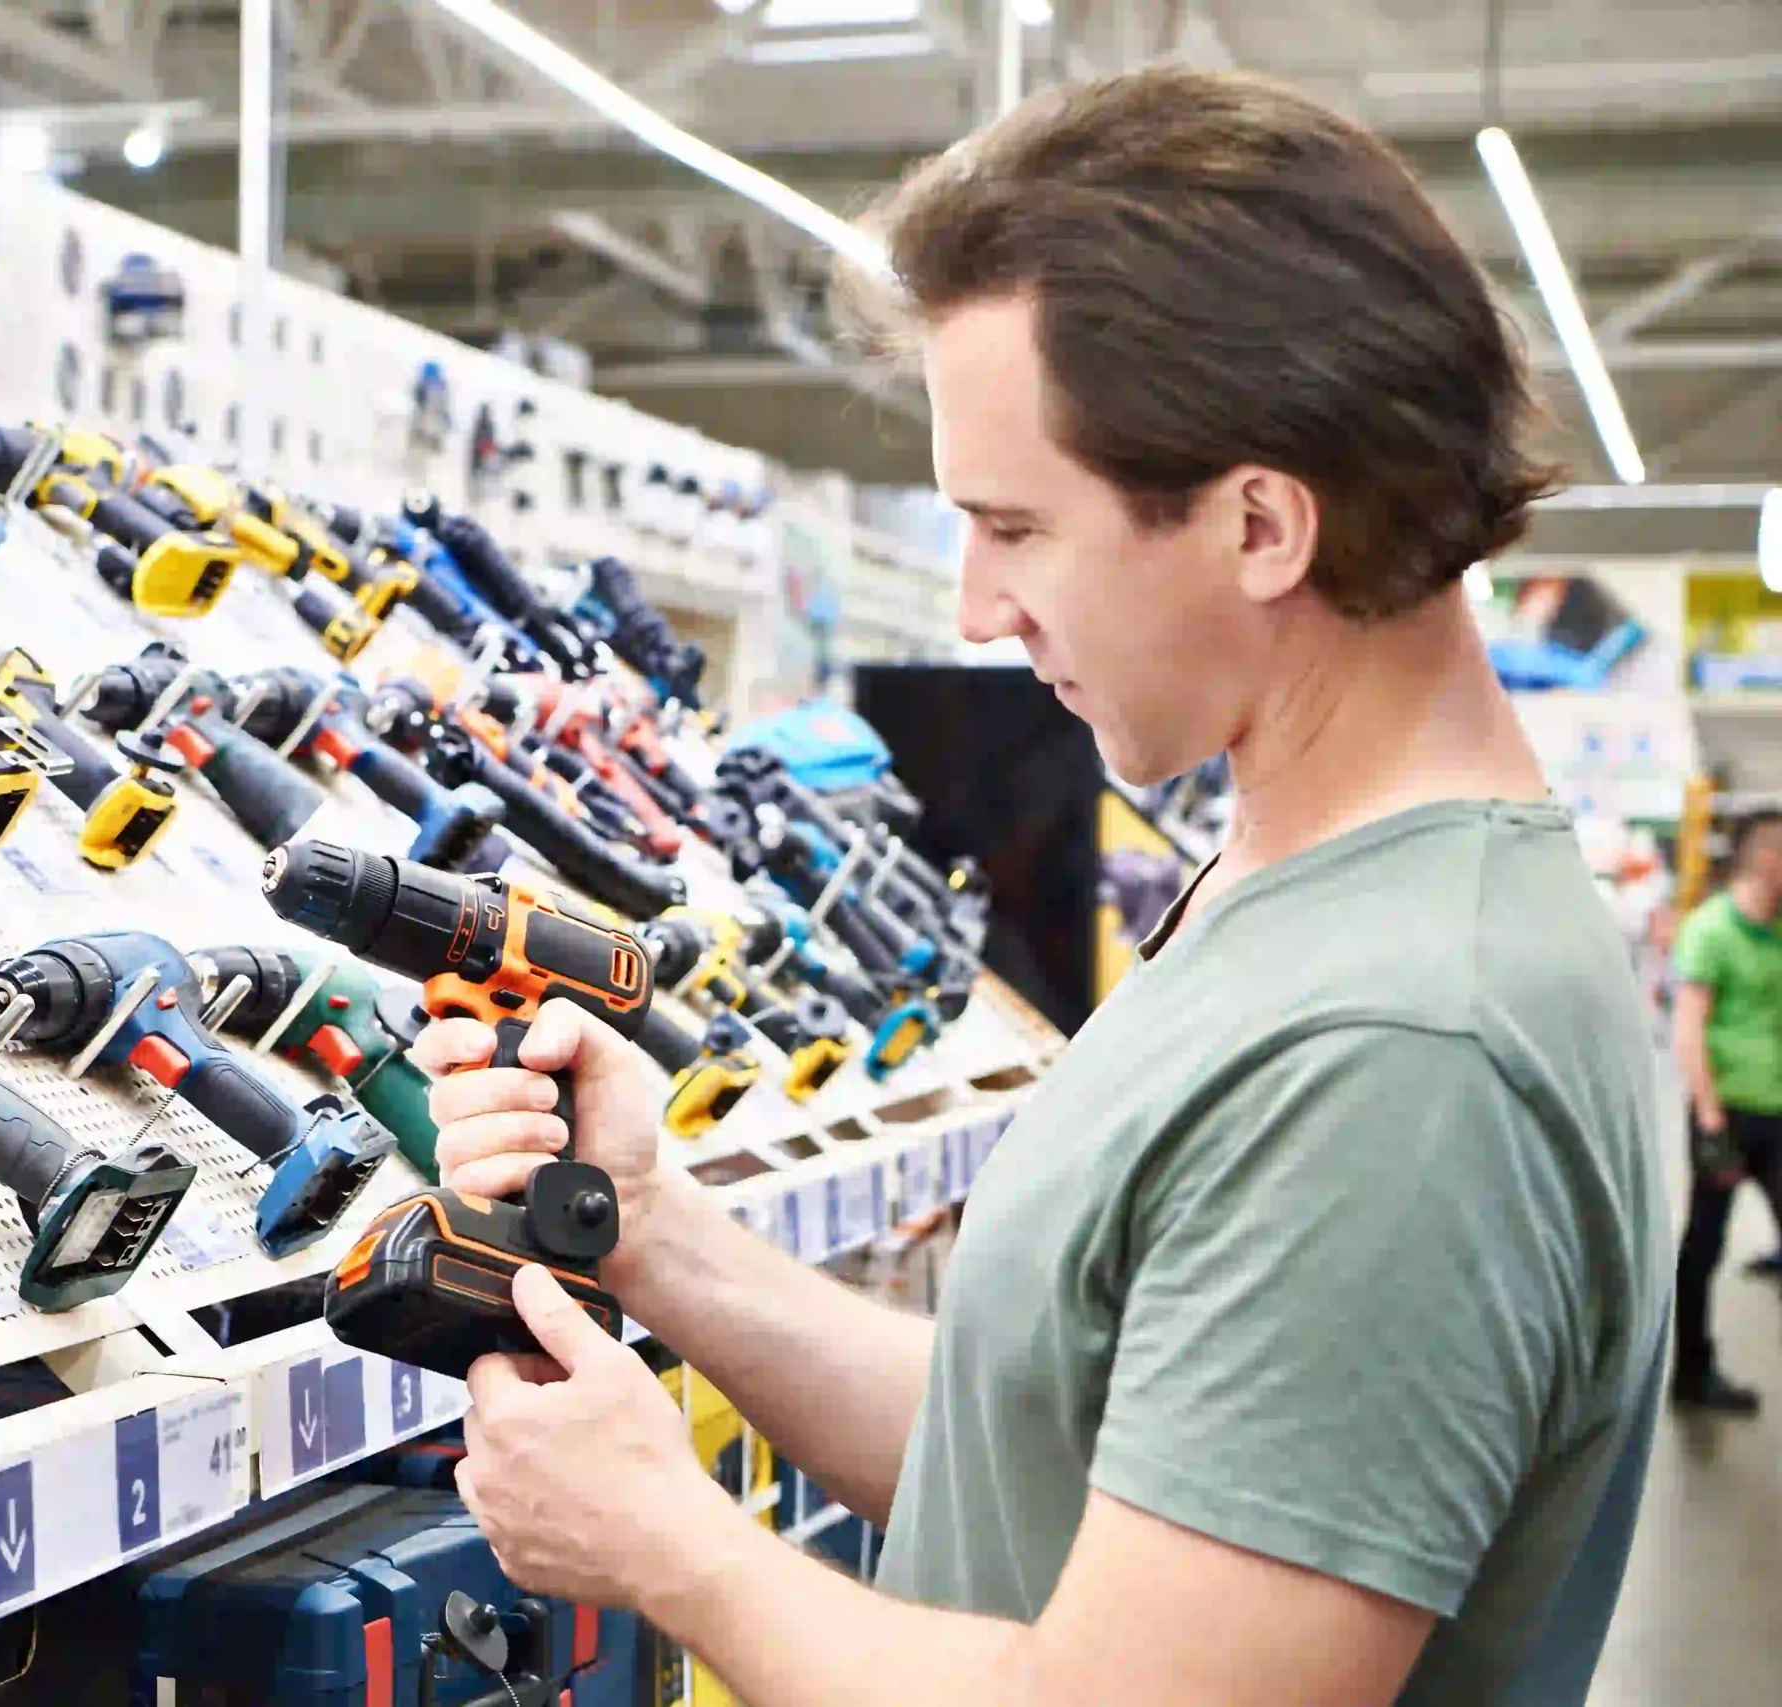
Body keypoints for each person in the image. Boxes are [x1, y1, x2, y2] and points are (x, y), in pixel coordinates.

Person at [411, 68, 1668, 1707]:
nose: (978, 603)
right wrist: (663, 1241)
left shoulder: (1401, 1048)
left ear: (1261, 524)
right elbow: (1062, 1448)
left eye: (1014, 526)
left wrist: (668, 1541)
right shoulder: (1292, 894)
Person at [1668, 811, 1782, 1412]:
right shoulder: (1712, 930)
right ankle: (1691, 1372)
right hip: (1726, 1114)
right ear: (1764, 857)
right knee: (1705, 1244)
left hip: (1778, 1112)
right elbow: (1688, 1028)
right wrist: (1710, 1121)